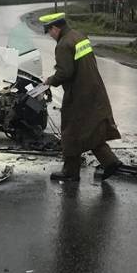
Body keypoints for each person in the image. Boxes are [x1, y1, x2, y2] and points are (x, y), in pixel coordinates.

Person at [40, 12, 122, 182]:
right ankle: (110, 162)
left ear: (55, 28)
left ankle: (70, 172)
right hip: (94, 89)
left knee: (70, 131)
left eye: (49, 31)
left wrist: (49, 81)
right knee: (91, 129)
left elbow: (65, 72)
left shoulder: (63, 44)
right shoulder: (79, 36)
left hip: (79, 94)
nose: (50, 35)